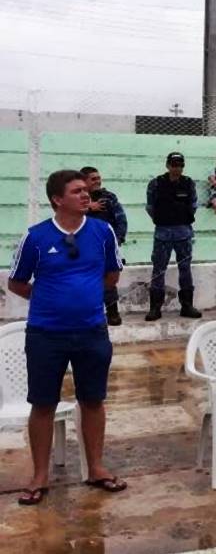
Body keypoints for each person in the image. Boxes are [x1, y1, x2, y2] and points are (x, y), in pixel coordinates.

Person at [9, 170, 126, 505]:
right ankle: (40, 476)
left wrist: (81, 298)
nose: (86, 194)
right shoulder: (35, 237)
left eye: (85, 189)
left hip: (92, 331)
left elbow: (111, 275)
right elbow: (16, 282)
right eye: (77, 191)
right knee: (43, 403)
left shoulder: (103, 232)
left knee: (93, 400)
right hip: (46, 334)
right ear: (58, 199)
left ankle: (96, 468)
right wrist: (50, 299)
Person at [145, 152, 202, 321]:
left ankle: (187, 305)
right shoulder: (156, 183)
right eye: (174, 165)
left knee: (185, 269)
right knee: (158, 269)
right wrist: (163, 219)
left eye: (180, 165)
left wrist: (180, 219)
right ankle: (155, 307)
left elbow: (193, 205)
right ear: (168, 165)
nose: (177, 168)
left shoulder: (188, 183)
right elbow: (150, 207)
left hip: (183, 231)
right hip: (163, 232)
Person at [80, 166, 127, 326]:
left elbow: (121, 220)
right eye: (93, 178)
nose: (98, 181)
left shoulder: (109, 198)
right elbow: (66, 216)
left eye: (98, 178)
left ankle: (112, 313)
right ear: (84, 181)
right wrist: (87, 208)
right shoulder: (78, 198)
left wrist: (117, 241)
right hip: (84, 249)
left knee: (109, 281)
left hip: (107, 248)